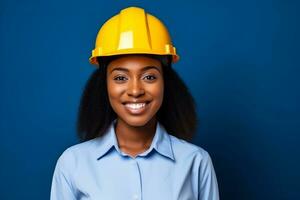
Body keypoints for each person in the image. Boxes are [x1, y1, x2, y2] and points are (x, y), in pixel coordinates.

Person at [50, 6, 219, 200]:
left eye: (149, 76)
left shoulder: (196, 162)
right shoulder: (72, 163)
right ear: (104, 84)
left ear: (165, 82)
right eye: (121, 78)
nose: (135, 91)